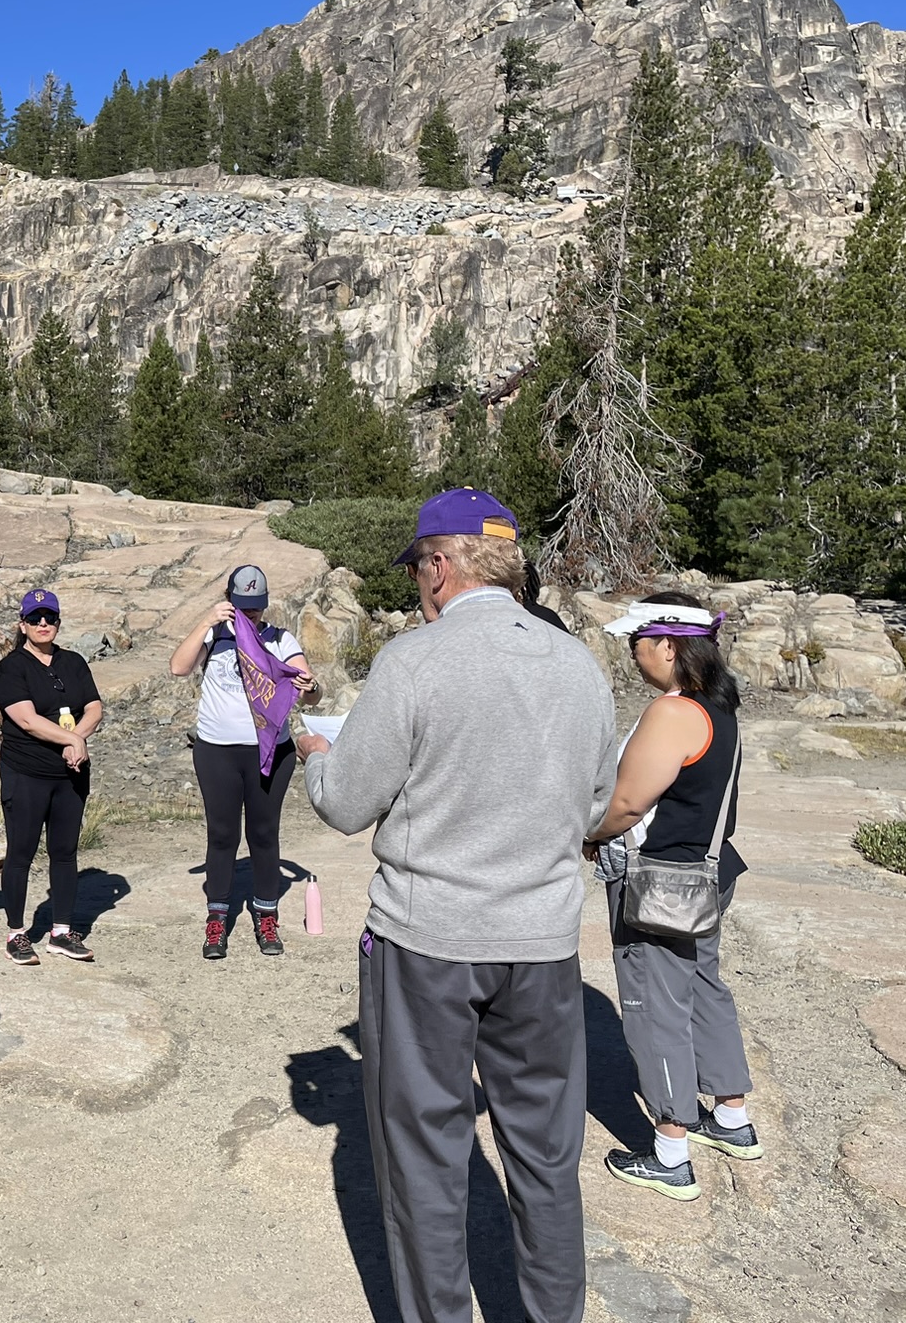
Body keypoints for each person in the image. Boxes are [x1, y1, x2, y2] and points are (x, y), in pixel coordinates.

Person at [295, 488, 616, 1323]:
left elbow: (345, 805)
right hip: (542, 943)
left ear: (441, 565)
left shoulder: (416, 662)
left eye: (416, 570)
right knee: (547, 1156)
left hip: (429, 939)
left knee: (427, 1154)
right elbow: (594, 805)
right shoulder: (577, 664)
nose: (415, 587)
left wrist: (317, 755)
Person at [588, 593, 761, 1201]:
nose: (631, 653)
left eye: (637, 641)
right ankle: (731, 1118)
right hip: (707, 873)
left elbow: (629, 803)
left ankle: (670, 1151)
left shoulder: (673, 711)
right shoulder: (720, 704)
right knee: (703, 986)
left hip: (660, 881)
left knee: (654, 1002)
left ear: (668, 645)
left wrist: (590, 835)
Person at [169, 564, 319, 960]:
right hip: (217, 750)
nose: (250, 614)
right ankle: (217, 918)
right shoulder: (216, 635)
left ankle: (266, 915)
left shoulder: (280, 640)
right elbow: (178, 667)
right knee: (222, 835)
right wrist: (206, 620)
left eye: (256, 607)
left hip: (270, 751)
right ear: (229, 601)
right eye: (242, 606)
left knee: (264, 834)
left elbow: (310, 693)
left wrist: (310, 687)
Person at [0, 588, 103, 963]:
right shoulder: (12, 667)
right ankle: (17, 933)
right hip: (27, 772)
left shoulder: (73, 662)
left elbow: (94, 708)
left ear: (58, 622)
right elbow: (27, 720)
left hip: (70, 773)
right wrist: (72, 738)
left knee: (65, 852)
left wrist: (77, 742)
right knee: (21, 852)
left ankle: (61, 931)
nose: (43, 624)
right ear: (22, 624)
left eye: (49, 618)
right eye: (35, 618)